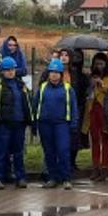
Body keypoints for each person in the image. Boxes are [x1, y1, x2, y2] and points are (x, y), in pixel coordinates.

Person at [34, 59, 76, 189]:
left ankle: (66, 178)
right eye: (52, 72)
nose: (54, 75)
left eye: (57, 72)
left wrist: (73, 124)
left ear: (61, 74)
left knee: (63, 151)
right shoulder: (42, 87)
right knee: (49, 152)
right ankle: (52, 178)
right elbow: (36, 104)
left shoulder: (68, 88)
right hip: (44, 124)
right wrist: (34, 123)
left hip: (62, 124)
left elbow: (73, 107)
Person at [0, 57, 29, 189]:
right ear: (2, 71)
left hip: (19, 122)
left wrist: (28, 119)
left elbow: (26, 102)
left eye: (12, 69)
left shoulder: (20, 85)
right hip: (4, 124)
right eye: (7, 70)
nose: (10, 72)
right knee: (0, 151)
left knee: (18, 152)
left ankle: (20, 177)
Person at [86, 52, 108, 182]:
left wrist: (102, 85)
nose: (99, 66)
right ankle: (95, 167)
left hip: (105, 109)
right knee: (94, 138)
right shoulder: (92, 76)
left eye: (101, 64)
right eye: (96, 64)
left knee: (105, 138)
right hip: (93, 108)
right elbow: (88, 93)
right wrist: (92, 84)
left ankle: (104, 167)